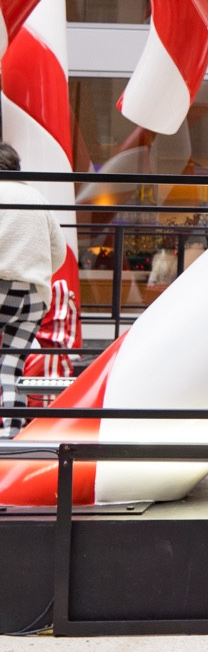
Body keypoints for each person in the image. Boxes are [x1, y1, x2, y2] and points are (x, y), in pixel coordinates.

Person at [0, 143, 65, 439]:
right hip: (34, 297)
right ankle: (10, 435)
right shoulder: (36, 197)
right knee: (11, 367)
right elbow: (59, 253)